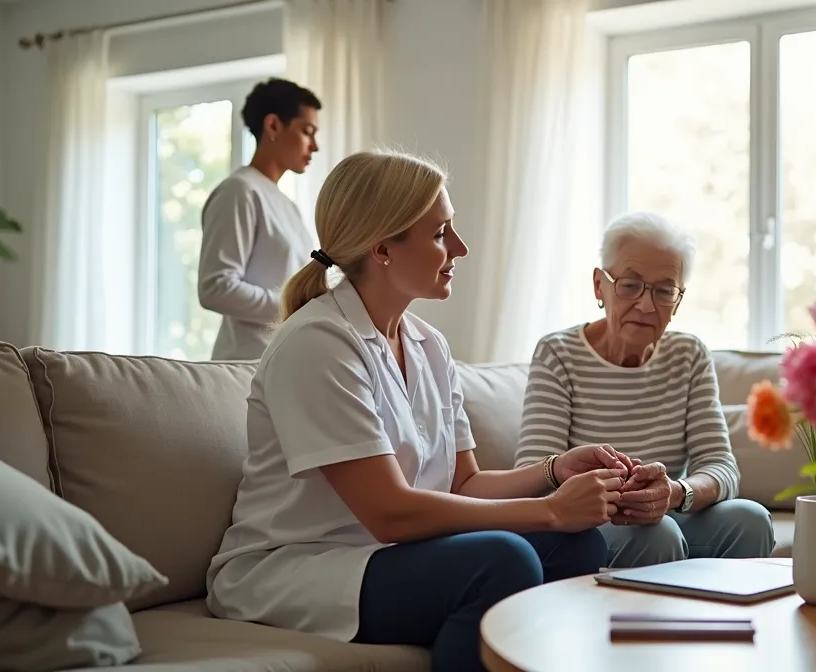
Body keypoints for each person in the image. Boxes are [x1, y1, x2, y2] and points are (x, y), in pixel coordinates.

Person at [206, 150, 630, 672]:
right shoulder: (318, 343)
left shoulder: (429, 345)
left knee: (577, 547)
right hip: (298, 566)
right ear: (382, 248)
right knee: (503, 559)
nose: (460, 248)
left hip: (388, 555)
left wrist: (553, 471)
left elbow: (464, 483)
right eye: (440, 234)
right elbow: (390, 512)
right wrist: (549, 509)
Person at [515, 211, 776, 569]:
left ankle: (723, 624)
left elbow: (720, 466)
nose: (646, 304)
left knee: (751, 519)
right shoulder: (558, 353)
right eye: (630, 284)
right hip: (590, 521)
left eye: (664, 290)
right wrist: (611, 495)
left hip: (667, 510)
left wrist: (675, 493)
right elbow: (536, 474)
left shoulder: (689, 354)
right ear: (599, 286)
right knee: (657, 534)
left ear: (678, 300)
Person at [198, 78, 322, 360]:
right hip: (246, 368)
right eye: (307, 131)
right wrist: (293, 306)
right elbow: (215, 288)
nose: (314, 146)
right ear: (273, 126)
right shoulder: (239, 191)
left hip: (287, 362)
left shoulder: (286, 205)